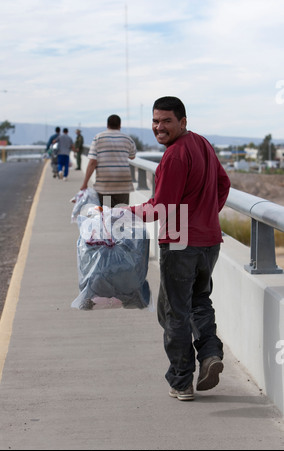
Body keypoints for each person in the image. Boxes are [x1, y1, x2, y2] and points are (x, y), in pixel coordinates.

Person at [131, 96, 231, 401]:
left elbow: (160, 207)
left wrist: (122, 211)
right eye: (155, 121)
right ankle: (210, 353)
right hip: (208, 241)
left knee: (174, 312)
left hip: (180, 243)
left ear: (182, 122)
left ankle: (181, 381)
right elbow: (223, 184)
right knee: (199, 301)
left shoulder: (174, 156)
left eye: (167, 121)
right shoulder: (202, 144)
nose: (159, 127)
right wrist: (206, 217)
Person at [79, 114, 136, 206]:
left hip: (105, 186)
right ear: (120, 125)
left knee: (107, 214)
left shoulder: (98, 138)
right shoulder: (127, 139)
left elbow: (92, 162)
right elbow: (132, 156)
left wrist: (85, 183)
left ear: (107, 125)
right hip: (123, 185)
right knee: (122, 215)